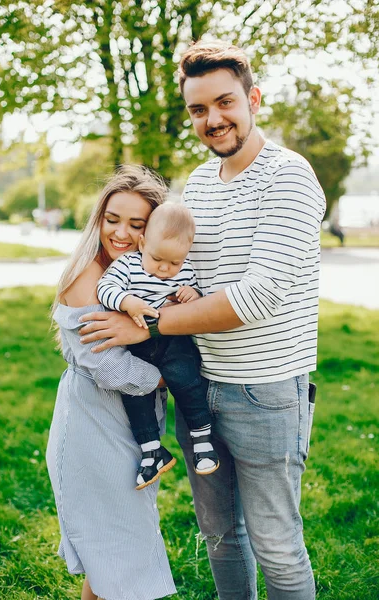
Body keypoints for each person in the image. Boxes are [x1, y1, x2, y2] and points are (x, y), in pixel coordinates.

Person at [78, 40, 326, 600]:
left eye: (225, 102)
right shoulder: (198, 186)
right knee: (220, 538)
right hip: (200, 382)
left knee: (277, 545)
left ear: (253, 99)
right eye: (198, 109)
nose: (213, 119)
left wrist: (149, 327)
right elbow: (168, 273)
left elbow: (256, 297)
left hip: (265, 390)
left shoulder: (288, 177)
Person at [46, 165, 177, 600]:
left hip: (132, 429)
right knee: (123, 552)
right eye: (112, 219)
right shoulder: (88, 277)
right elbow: (107, 367)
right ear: (98, 219)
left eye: (136, 224)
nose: (120, 233)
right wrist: (166, 377)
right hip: (92, 428)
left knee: (112, 560)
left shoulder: (146, 274)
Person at [97, 203, 219, 489]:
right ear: (142, 243)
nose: (165, 269)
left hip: (173, 342)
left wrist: (194, 293)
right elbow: (106, 288)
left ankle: (203, 441)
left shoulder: (185, 270)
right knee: (135, 394)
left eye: (174, 263)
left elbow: (199, 301)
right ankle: (151, 450)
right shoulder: (127, 264)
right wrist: (127, 301)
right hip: (137, 348)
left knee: (188, 382)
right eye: (157, 259)